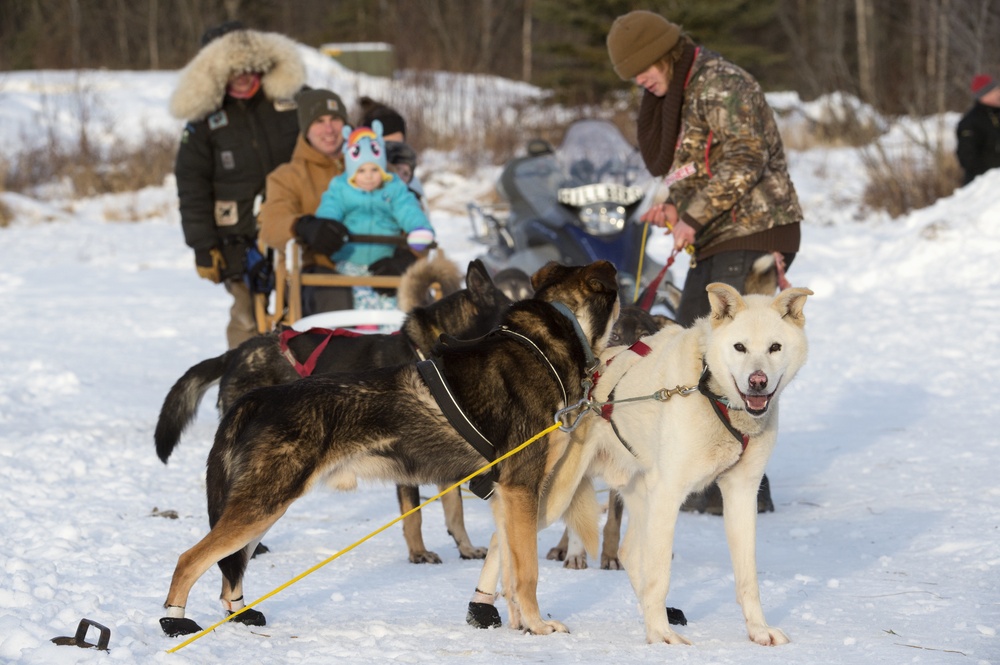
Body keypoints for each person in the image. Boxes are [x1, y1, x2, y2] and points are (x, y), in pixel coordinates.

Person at [607, 10, 803, 514]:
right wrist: (676, 205)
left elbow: (745, 156)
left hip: (755, 226)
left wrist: (691, 212)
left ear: (663, 52)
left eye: (643, 68)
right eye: (632, 75)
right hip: (718, 232)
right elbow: (701, 163)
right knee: (695, 347)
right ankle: (709, 473)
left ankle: (743, 487)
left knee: (730, 354)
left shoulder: (720, 82)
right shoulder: (681, 91)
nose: (641, 80)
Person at [170, 21, 304, 348]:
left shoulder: (291, 102)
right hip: (237, 235)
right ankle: (243, 389)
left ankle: (304, 386)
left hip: (296, 225)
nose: (243, 76)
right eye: (233, 71)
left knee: (300, 308)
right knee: (246, 314)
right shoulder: (204, 122)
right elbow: (192, 184)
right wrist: (203, 245)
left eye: (249, 68)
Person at [311, 120, 435, 311]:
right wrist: (326, 226)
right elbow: (330, 207)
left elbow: (407, 208)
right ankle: (362, 330)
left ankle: (390, 332)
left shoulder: (392, 187)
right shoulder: (341, 188)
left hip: (384, 258)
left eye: (374, 169)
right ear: (351, 169)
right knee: (356, 297)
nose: (368, 176)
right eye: (361, 170)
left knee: (391, 300)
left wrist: (418, 228)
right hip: (349, 259)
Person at [257, 88, 352, 314]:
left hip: (380, 267)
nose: (329, 129)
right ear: (306, 129)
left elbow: (408, 212)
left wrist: (404, 254)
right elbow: (271, 224)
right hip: (316, 270)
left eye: (335, 119)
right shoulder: (288, 176)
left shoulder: (375, 168)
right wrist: (303, 226)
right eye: (319, 121)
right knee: (333, 295)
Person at [956, 74, 1000, 186]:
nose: (998, 93)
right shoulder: (970, 122)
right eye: (995, 90)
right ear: (984, 94)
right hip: (982, 185)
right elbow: (967, 157)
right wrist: (990, 176)